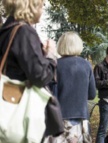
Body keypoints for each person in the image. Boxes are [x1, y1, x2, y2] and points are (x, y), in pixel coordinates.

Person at [0, 0, 63, 138]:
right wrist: (51, 56)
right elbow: (40, 76)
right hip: (20, 111)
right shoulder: (24, 32)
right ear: (31, 5)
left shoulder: (6, 30)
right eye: (41, 5)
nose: (42, 10)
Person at [56, 31, 96, 141]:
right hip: (81, 119)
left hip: (58, 118)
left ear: (61, 45)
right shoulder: (86, 65)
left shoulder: (54, 65)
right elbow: (92, 94)